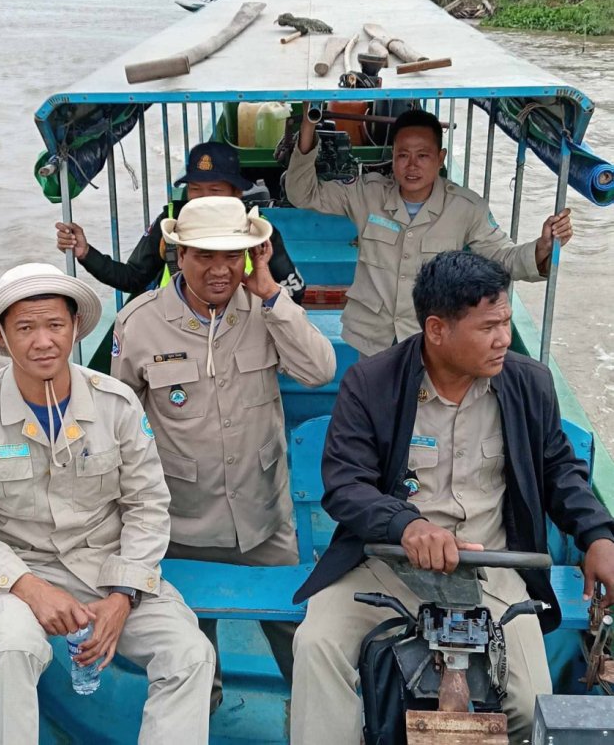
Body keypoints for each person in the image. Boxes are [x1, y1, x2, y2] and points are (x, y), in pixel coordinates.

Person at [290, 251, 614, 745]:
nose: (504, 338)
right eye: (488, 327)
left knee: (531, 706)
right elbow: (347, 484)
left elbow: (559, 470)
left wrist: (596, 535)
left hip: (495, 570)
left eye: (506, 322)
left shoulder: (529, 384)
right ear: (437, 330)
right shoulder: (373, 384)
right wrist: (406, 525)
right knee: (316, 648)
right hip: (386, 563)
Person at [0, 263, 215, 745]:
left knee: (190, 654)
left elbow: (147, 505)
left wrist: (123, 596)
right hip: (19, 575)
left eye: (54, 325)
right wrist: (29, 587)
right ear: (2, 335)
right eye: (25, 327)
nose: (42, 341)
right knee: (9, 650)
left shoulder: (117, 404)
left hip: (110, 568)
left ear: (74, 329)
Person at [110, 196, 336, 709]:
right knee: (191, 644)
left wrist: (273, 294)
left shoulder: (266, 308)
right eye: (204, 256)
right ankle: (203, 709)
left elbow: (320, 370)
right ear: (177, 255)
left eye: (232, 256)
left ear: (252, 255)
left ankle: (312, 714)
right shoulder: (138, 324)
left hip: (264, 518)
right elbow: (116, 425)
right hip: (181, 525)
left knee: (297, 637)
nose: (219, 270)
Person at [285, 107, 574, 356]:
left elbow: (502, 257)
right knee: (377, 412)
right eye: (403, 155)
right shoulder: (366, 194)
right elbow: (303, 193)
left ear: (440, 157)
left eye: (423, 155)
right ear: (393, 157)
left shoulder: (466, 207)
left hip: (432, 339)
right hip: (372, 338)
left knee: (424, 411)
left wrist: (542, 247)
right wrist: (308, 129)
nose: (411, 166)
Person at [56, 140, 306, 304]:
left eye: (215, 190)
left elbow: (295, 291)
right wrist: (86, 252)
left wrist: (267, 296)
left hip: (243, 333)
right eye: (195, 188)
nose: (203, 198)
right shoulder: (170, 224)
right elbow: (131, 278)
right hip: (179, 329)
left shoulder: (259, 232)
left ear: (236, 193)